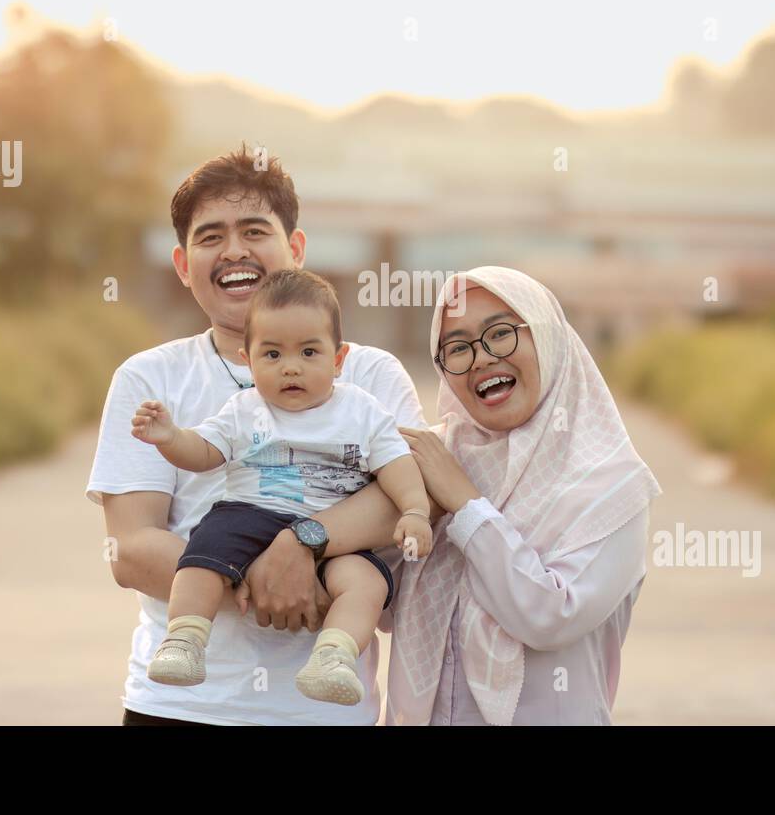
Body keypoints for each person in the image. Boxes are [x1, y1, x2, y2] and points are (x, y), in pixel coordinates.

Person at [86, 146, 428, 725]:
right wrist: (262, 581)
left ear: (295, 249)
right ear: (181, 262)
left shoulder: (370, 373)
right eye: (210, 236)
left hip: (321, 715)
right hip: (177, 706)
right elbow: (131, 550)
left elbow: (404, 494)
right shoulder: (150, 378)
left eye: (254, 230)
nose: (234, 251)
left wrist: (303, 545)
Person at [129, 269, 434, 706]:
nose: (290, 366)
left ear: (338, 358)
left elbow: (398, 465)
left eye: (309, 352)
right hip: (247, 513)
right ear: (248, 361)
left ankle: (334, 656)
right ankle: (185, 638)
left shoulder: (361, 409)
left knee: (366, 581)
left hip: (333, 531)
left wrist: (415, 511)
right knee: (201, 556)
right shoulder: (243, 409)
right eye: (271, 354)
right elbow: (203, 453)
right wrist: (170, 438)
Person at [388, 266, 663, 725]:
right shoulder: (433, 457)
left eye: (500, 334)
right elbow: (374, 576)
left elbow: (550, 616)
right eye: (457, 348)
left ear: (549, 338)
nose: (480, 359)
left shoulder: (612, 486)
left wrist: (466, 505)